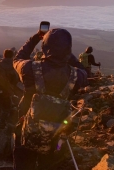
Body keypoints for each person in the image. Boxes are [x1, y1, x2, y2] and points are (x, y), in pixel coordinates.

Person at [13, 28, 87, 170]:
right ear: (68, 50)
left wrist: (35, 38)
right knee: (49, 162)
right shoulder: (77, 76)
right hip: (57, 135)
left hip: (26, 127)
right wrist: (66, 54)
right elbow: (84, 70)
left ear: (45, 48)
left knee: (23, 161)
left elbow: (17, 58)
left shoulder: (29, 68)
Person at [0, 49, 20, 129]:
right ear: (12, 56)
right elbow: (16, 80)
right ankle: (1, 123)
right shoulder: (14, 67)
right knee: (7, 107)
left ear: (4, 55)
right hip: (6, 91)